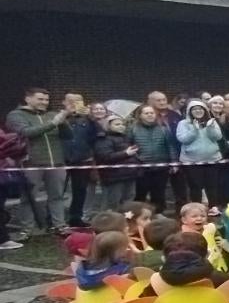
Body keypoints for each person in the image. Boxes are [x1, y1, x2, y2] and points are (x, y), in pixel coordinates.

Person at [8, 87, 69, 233]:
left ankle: (59, 225)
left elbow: (68, 136)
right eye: (40, 99)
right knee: (29, 197)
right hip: (31, 163)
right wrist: (53, 123)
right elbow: (26, 132)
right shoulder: (16, 115)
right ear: (28, 99)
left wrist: (64, 121)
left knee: (57, 196)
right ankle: (28, 229)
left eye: (47, 100)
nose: (44, 102)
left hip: (56, 162)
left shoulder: (52, 114)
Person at [59, 93, 98, 228]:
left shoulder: (87, 119)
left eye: (78, 100)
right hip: (62, 160)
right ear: (64, 102)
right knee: (59, 191)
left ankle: (76, 218)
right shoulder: (59, 117)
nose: (75, 103)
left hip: (82, 159)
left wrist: (92, 119)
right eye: (71, 101)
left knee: (80, 190)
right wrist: (65, 115)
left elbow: (97, 136)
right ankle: (54, 220)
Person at [175, 100, 223, 208]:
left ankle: (213, 207)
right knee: (195, 186)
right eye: (195, 109)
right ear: (190, 111)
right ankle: (197, 209)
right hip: (192, 161)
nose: (198, 111)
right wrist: (194, 130)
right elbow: (183, 139)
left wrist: (210, 128)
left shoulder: (211, 121)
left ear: (205, 110)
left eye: (200, 109)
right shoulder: (183, 123)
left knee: (212, 186)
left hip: (212, 159)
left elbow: (218, 137)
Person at [93, 115, 140, 211]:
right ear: (108, 126)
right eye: (117, 124)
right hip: (113, 177)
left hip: (129, 175)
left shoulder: (125, 137)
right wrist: (125, 153)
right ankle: (109, 224)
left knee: (128, 204)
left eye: (122, 124)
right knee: (112, 204)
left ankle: (126, 222)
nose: (121, 126)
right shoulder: (103, 139)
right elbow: (105, 157)